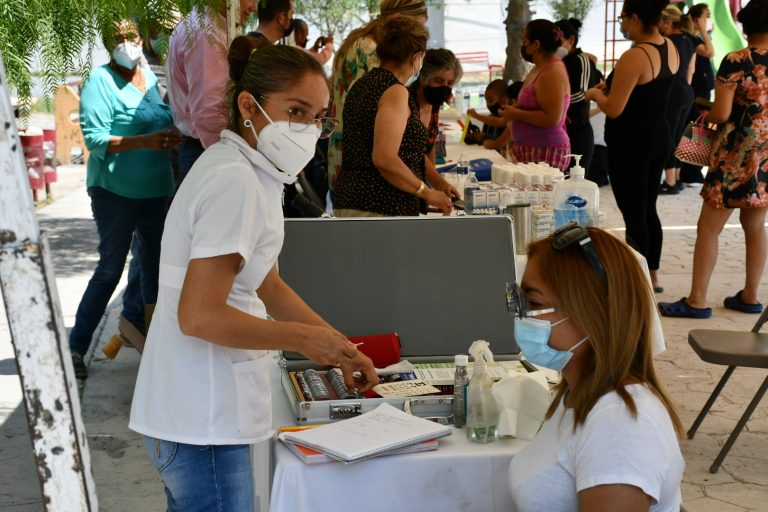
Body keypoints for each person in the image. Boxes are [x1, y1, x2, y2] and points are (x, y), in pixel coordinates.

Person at [129, 38, 378, 511]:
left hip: (199, 415)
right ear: (249, 105)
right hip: (202, 422)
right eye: (296, 111)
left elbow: (268, 284)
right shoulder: (234, 181)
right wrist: (305, 340)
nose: (307, 128)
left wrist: (338, 346)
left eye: (318, 117)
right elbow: (199, 316)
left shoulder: (253, 173)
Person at [508, 223, 684, 511]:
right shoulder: (577, 392)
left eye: (533, 302)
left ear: (592, 314)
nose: (522, 316)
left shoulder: (621, 425)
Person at [70, 20, 181, 378]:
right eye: (117, 37)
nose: (126, 43)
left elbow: (160, 120)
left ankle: (157, 344)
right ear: (106, 42)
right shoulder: (99, 82)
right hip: (114, 192)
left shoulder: (149, 79)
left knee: (154, 269)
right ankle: (76, 347)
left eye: (130, 36)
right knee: (110, 269)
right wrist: (146, 142)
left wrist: (170, 137)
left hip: (156, 190)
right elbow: (97, 140)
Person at [659, 0, 768, 319]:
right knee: (756, 226)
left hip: (735, 155)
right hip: (765, 158)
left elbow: (721, 113)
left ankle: (697, 300)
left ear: (744, 28)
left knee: (709, 227)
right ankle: (750, 296)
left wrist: (708, 112)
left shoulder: (737, 60)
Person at [586, 0, 680, 293]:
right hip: (659, 135)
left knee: (633, 212)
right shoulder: (669, 46)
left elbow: (614, 108)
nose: (622, 24)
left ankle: (638, 281)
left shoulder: (636, 55)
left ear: (635, 18)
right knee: (648, 207)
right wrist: (610, 90)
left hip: (632, 142)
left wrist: (594, 95)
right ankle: (652, 276)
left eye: (622, 18)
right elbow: (643, 91)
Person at [332, 17, 453, 216]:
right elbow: (384, 158)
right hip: (381, 205)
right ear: (416, 57)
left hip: (353, 200)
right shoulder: (395, 91)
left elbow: (406, 152)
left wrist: (438, 183)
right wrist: (426, 192)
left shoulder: (362, 85)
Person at [327, 0, 428, 191]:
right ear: (400, 20)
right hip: (362, 170)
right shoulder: (370, 47)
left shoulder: (360, 39)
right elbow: (374, 109)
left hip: (350, 157)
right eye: (417, 27)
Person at [167, 0, 257, 184]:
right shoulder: (206, 31)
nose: (254, 7)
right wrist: (231, 158)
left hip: (202, 146)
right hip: (207, 147)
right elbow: (209, 111)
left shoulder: (201, 24)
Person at [500, 19, 572, 172]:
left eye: (525, 42)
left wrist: (517, 113)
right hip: (531, 148)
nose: (523, 46)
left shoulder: (552, 72)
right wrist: (516, 109)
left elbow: (552, 118)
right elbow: (534, 106)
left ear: (536, 45)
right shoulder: (539, 68)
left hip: (546, 150)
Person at [408, 48, 461, 205]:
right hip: (404, 186)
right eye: (438, 81)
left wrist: (435, 186)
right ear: (425, 77)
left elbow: (429, 145)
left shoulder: (433, 103)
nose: (444, 87)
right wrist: (437, 183)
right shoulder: (407, 102)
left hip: (420, 186)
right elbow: (413, 152)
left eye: (449, 83)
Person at [658, 5, 698, 195]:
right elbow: (691, 70)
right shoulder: (690, 40)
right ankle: (678, 177)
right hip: (687, 90)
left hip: (673, 90)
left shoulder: (667, 41)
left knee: (668, 135)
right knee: (680, 136)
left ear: (667, 22)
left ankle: (670, 181)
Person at [555, 18, 601, 174]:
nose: (553, 45)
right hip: (560, 131)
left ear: (571, 40)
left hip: (578, 132)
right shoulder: (557, 62)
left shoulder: (582, 60)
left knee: (576, 185)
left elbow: (582, 94)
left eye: (557, 40)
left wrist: (554, 102)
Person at [680, 3, 716, 185]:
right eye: (706, 16)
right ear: (696, 19)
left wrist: (707, 32)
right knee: (697, 128)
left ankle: (692, 171)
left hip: (702, 88)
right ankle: (689, 172)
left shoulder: (697, 37)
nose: (708, 19)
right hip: (696, 90)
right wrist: (703, 30)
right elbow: (710, 52)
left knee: (700, 128)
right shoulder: (691, 38)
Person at [483, 81, 524, 154]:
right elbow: (499, 122)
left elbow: (497, 144)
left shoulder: (518, 120)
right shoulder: (514, 118)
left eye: (511, 102)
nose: (505, 105)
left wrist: (488, 143)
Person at [467, 79, 509, 144]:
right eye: (486, 101)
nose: (488, 105)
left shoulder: (509, 120)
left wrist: (485, 137)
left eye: (491, 100)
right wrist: (475, 137)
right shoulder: (488, 119)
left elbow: (502, 142)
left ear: (503, 99)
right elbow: (483, 139)